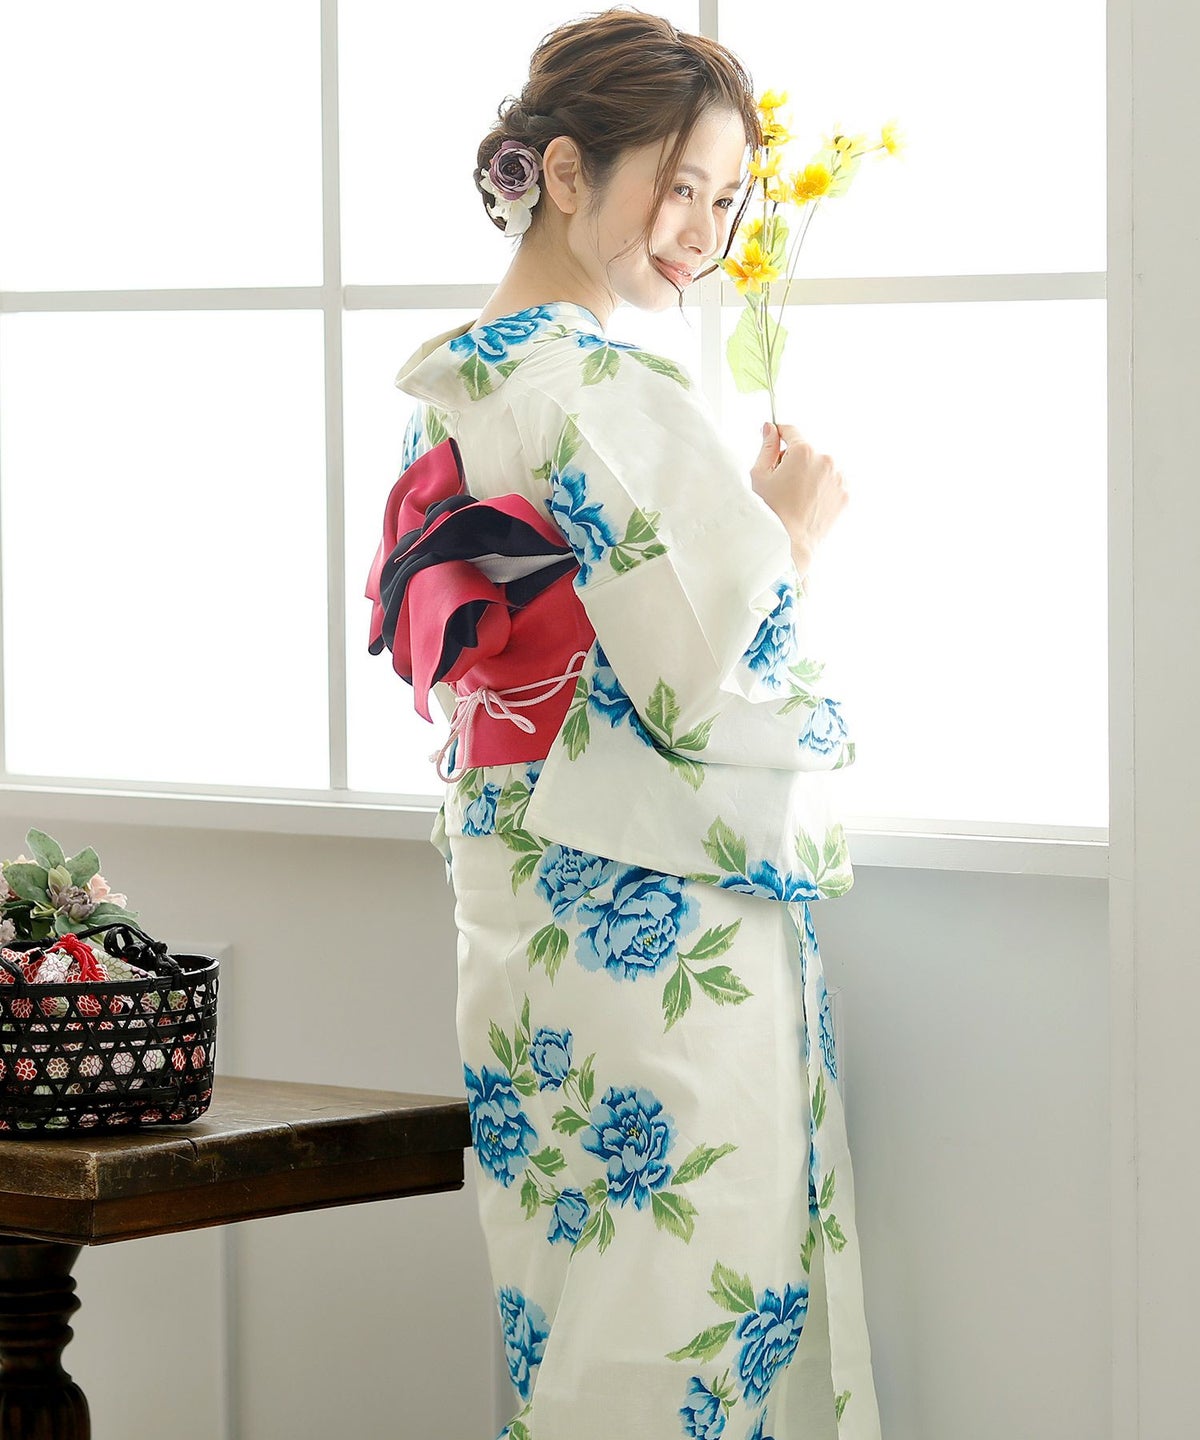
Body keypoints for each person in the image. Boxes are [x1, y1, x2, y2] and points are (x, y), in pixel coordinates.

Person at [366, 9, 881, 1438]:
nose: (703, 230)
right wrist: (788, 536)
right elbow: (703, 678)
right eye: (678, 183)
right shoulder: (594, 379)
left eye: (727, 199)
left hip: (519, 890)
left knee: (582, 1303)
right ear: (566, 172)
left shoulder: (458, 380)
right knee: (681, 1315)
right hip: (646, 905)